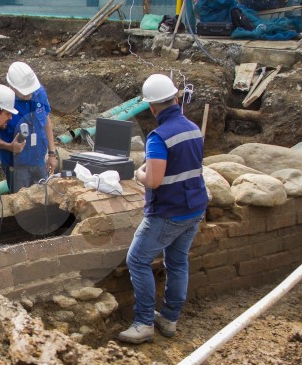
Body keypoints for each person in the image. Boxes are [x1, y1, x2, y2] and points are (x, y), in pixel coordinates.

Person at [117, 74, 209, 344]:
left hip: (168, 212)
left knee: (137, 259)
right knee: (177, 262)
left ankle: (144, 322)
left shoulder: (158, 137)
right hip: (194, 208)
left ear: (152, 107)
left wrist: (138, 175)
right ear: (176, 98)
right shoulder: (193, 128)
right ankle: (169, 318)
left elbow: (154, 180)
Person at [0, 62, 57, 193]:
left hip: (39, 159)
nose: (30, 94)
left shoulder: (39, 92)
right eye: (25, 92)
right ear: (12, 87)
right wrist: (10, 147)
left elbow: (46, 120)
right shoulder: (1, 102)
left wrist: (52, 153)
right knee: (22, 205)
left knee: (46, 199)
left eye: (31, 90)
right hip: (16, 165)